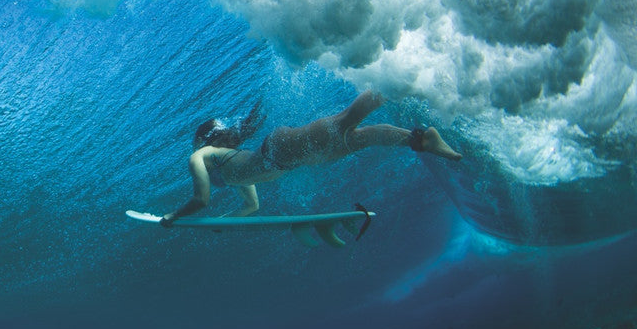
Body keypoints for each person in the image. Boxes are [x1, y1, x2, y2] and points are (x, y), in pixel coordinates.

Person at [160, 91, 462, 226]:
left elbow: (201, 200)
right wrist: (223, 223)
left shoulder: (199, 156)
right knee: (359, 138)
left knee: (345, 121)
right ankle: (421, 140)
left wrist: (174, 216)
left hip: (279, 150)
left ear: (201, 141)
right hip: (287, 159)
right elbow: (252, 205)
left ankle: (393, 83)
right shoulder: (228, 164)